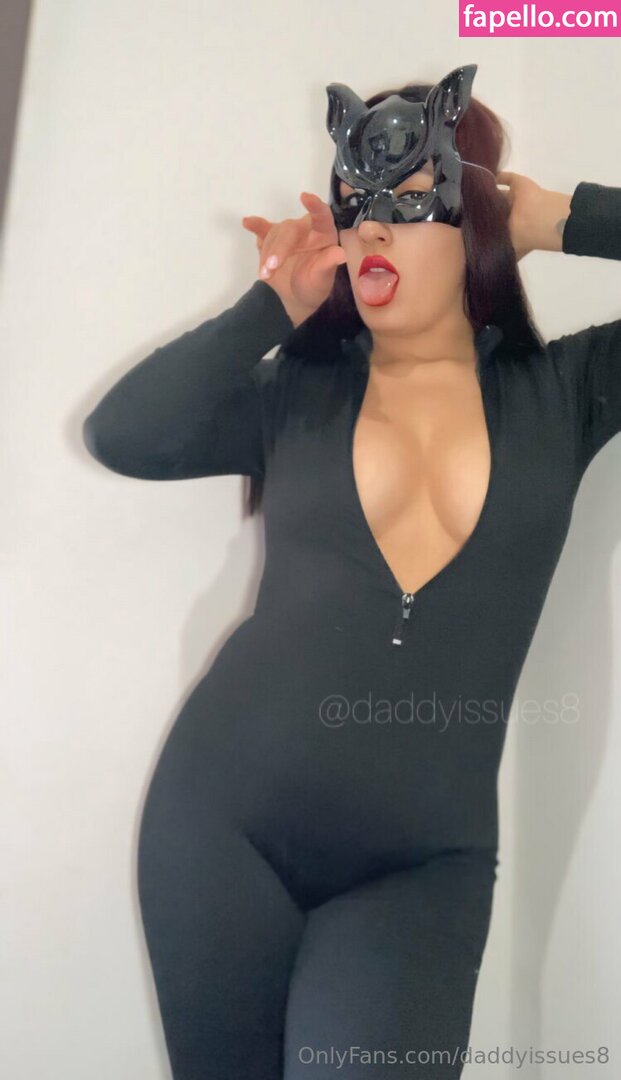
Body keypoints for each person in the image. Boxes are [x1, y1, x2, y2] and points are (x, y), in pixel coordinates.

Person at [82, 68, 621, 1080]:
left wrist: (561, 218)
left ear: (477, 215)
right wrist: (269, 306)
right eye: (355, 204)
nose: (372, 227)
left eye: (411, 201)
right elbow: (122, 434)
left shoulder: (567, 393)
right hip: (221, 832)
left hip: (419, 874)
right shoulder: (296, 392)